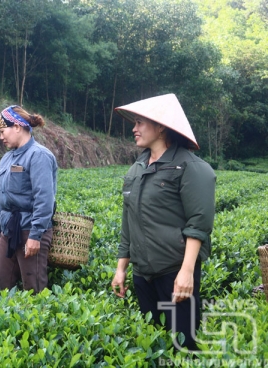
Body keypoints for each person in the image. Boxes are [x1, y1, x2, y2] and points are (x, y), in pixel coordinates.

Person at [110, 94, 216, 351]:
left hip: (174, 273)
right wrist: (121, 268)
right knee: (154, 346)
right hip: (142, 275)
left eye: (139, 122)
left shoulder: (191, 168)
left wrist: (187, 271)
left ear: (161, 126)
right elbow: (129, 222)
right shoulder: (136, 169)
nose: (134, 129)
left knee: (183, 347)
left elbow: (198, 223)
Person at [0, 105, 58, 293]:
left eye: (3, 131)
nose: (1, 137)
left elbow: (44, 200)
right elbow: (2, 199)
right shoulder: (7, 159)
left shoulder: (39, 156)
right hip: (8, 230)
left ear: (17, 127)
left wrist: (35, 236)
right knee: (1, 285)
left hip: (30, 231)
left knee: (34, 288)